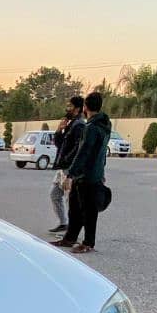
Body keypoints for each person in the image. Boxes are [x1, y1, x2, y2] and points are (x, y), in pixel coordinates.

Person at [51, 91, 111, 254]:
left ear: (85, 107)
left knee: (88, 211)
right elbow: (101, 152)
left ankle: (88, 243)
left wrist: (70, 175)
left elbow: (83, 152)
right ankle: (70, 238)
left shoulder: (90, 128)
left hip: (86, 176)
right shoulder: (104, 125)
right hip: (93, 174)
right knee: (76, 208)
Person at [48, 96, 85, 233]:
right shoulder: (70, 124)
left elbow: (77, 149)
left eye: (70, 106)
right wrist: (59, 130)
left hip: (70, 168)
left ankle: (72, 232)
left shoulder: (79, 125)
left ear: (77, 109)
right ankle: (64, 223)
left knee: (71, 200)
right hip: (63, 168)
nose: (67, 109)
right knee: (55, 194)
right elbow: (60, 145)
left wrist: (69, 168)